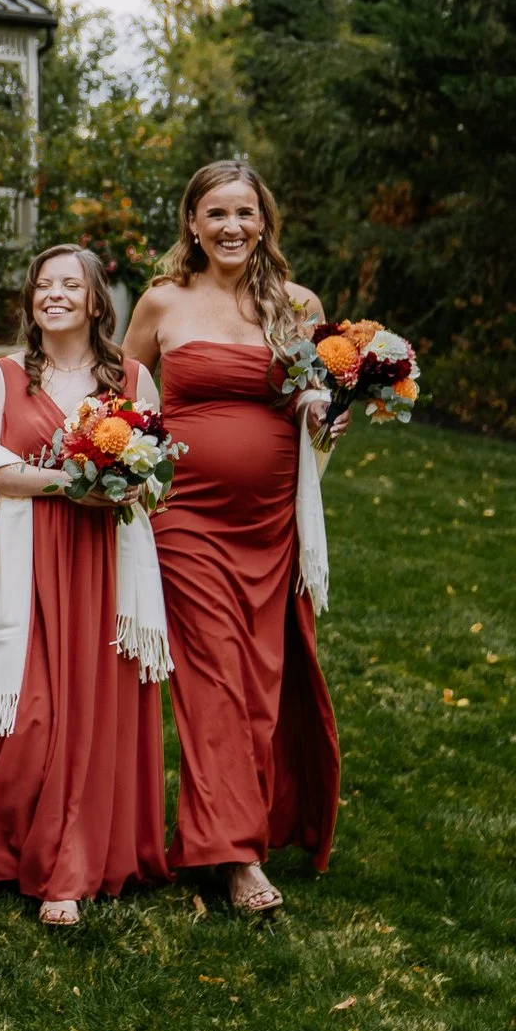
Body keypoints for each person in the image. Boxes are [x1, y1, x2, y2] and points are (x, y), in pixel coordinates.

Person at [122, 160, 344, 913]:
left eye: (245, 213)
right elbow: (122, 397)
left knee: (259, 679)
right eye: (216, 213)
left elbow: (314, 401)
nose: (231, 227)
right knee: (213, 673)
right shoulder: (162, 302)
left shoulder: (296, 303)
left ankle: (233, 824)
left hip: (269, 520)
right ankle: (237, 856)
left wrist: (327, 417)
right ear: (192, 222)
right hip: (185, 512)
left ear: (264, 222)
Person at [0, 244, 171, 925]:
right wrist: (73, 481)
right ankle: (6, 844)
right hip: (23, 554)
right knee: (30, 707)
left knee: (93, 706)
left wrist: (123, 482)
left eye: (71, 284)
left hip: (101, 558)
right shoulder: (1, 375)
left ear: (98, 301)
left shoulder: (133, 376)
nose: (54, 294)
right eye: (44, 284)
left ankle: (71, 861)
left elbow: (152, 475)